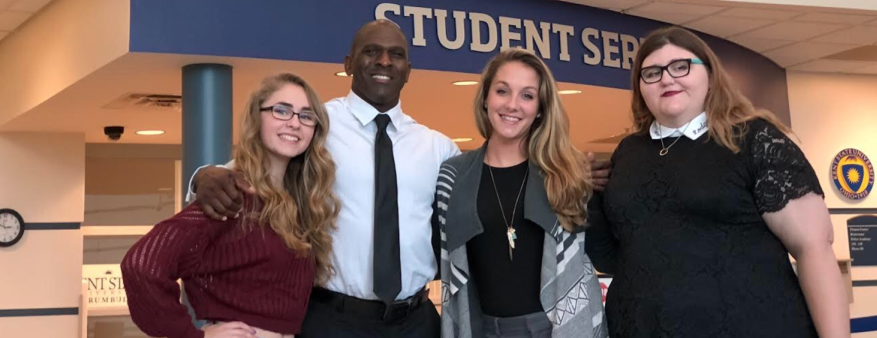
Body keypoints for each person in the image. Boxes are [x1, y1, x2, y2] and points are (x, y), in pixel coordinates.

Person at [192, 21, 612, 338]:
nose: (384, 62)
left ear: (408, 70)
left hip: (415, 322)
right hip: (332, 318)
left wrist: (573, 167)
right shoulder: (317, 123)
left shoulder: (440, 151)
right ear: (348, 64)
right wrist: (204, 176)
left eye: (395, 55)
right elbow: (253, 169)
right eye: (371, 52)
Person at [600, 27, 850, 338]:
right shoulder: (628, 153)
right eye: (651, 72)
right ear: (640, 87)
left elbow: (814, 249)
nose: (667, 78)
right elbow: (617, 253)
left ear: (710, 74)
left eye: (680, 67)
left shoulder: (753, 138)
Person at [121, 73, 339, 338]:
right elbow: (141, 265)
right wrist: (191, 335)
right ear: (256, 118)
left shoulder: (298, 204)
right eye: (281, 111)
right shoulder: (231, 196)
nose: (294, 122)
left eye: (306, 115)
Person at [437, 48, 608, 338]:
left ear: (540, 108)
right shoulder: (453, 175)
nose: (513, 105)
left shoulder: (567, 173)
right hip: (482, 328)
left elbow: (604, 252)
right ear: (486, 99)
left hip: (557, 329)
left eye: (527, 95)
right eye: (502, 91)